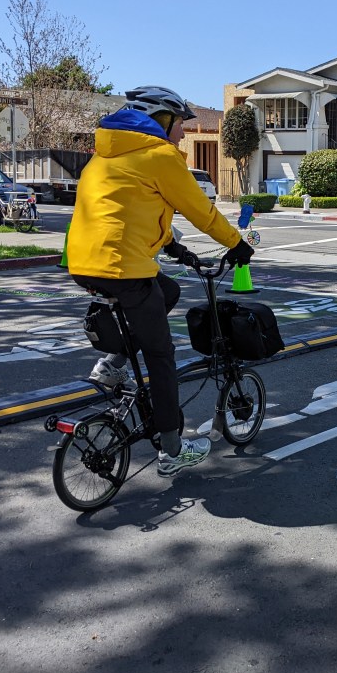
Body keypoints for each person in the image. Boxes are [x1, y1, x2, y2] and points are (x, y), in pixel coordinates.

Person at [67, 85, 254, 477]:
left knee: (166, 289)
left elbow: (128, 210)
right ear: (161, 121)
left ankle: (112, 363)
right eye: (181, 125)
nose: (184, 133)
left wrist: (173, 248)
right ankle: (172, 449)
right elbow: (201, 210)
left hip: (85, 262)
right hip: (124, 268)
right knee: (161, 357)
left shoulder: (105, 156)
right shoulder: (160, 155)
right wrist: (237, 245)